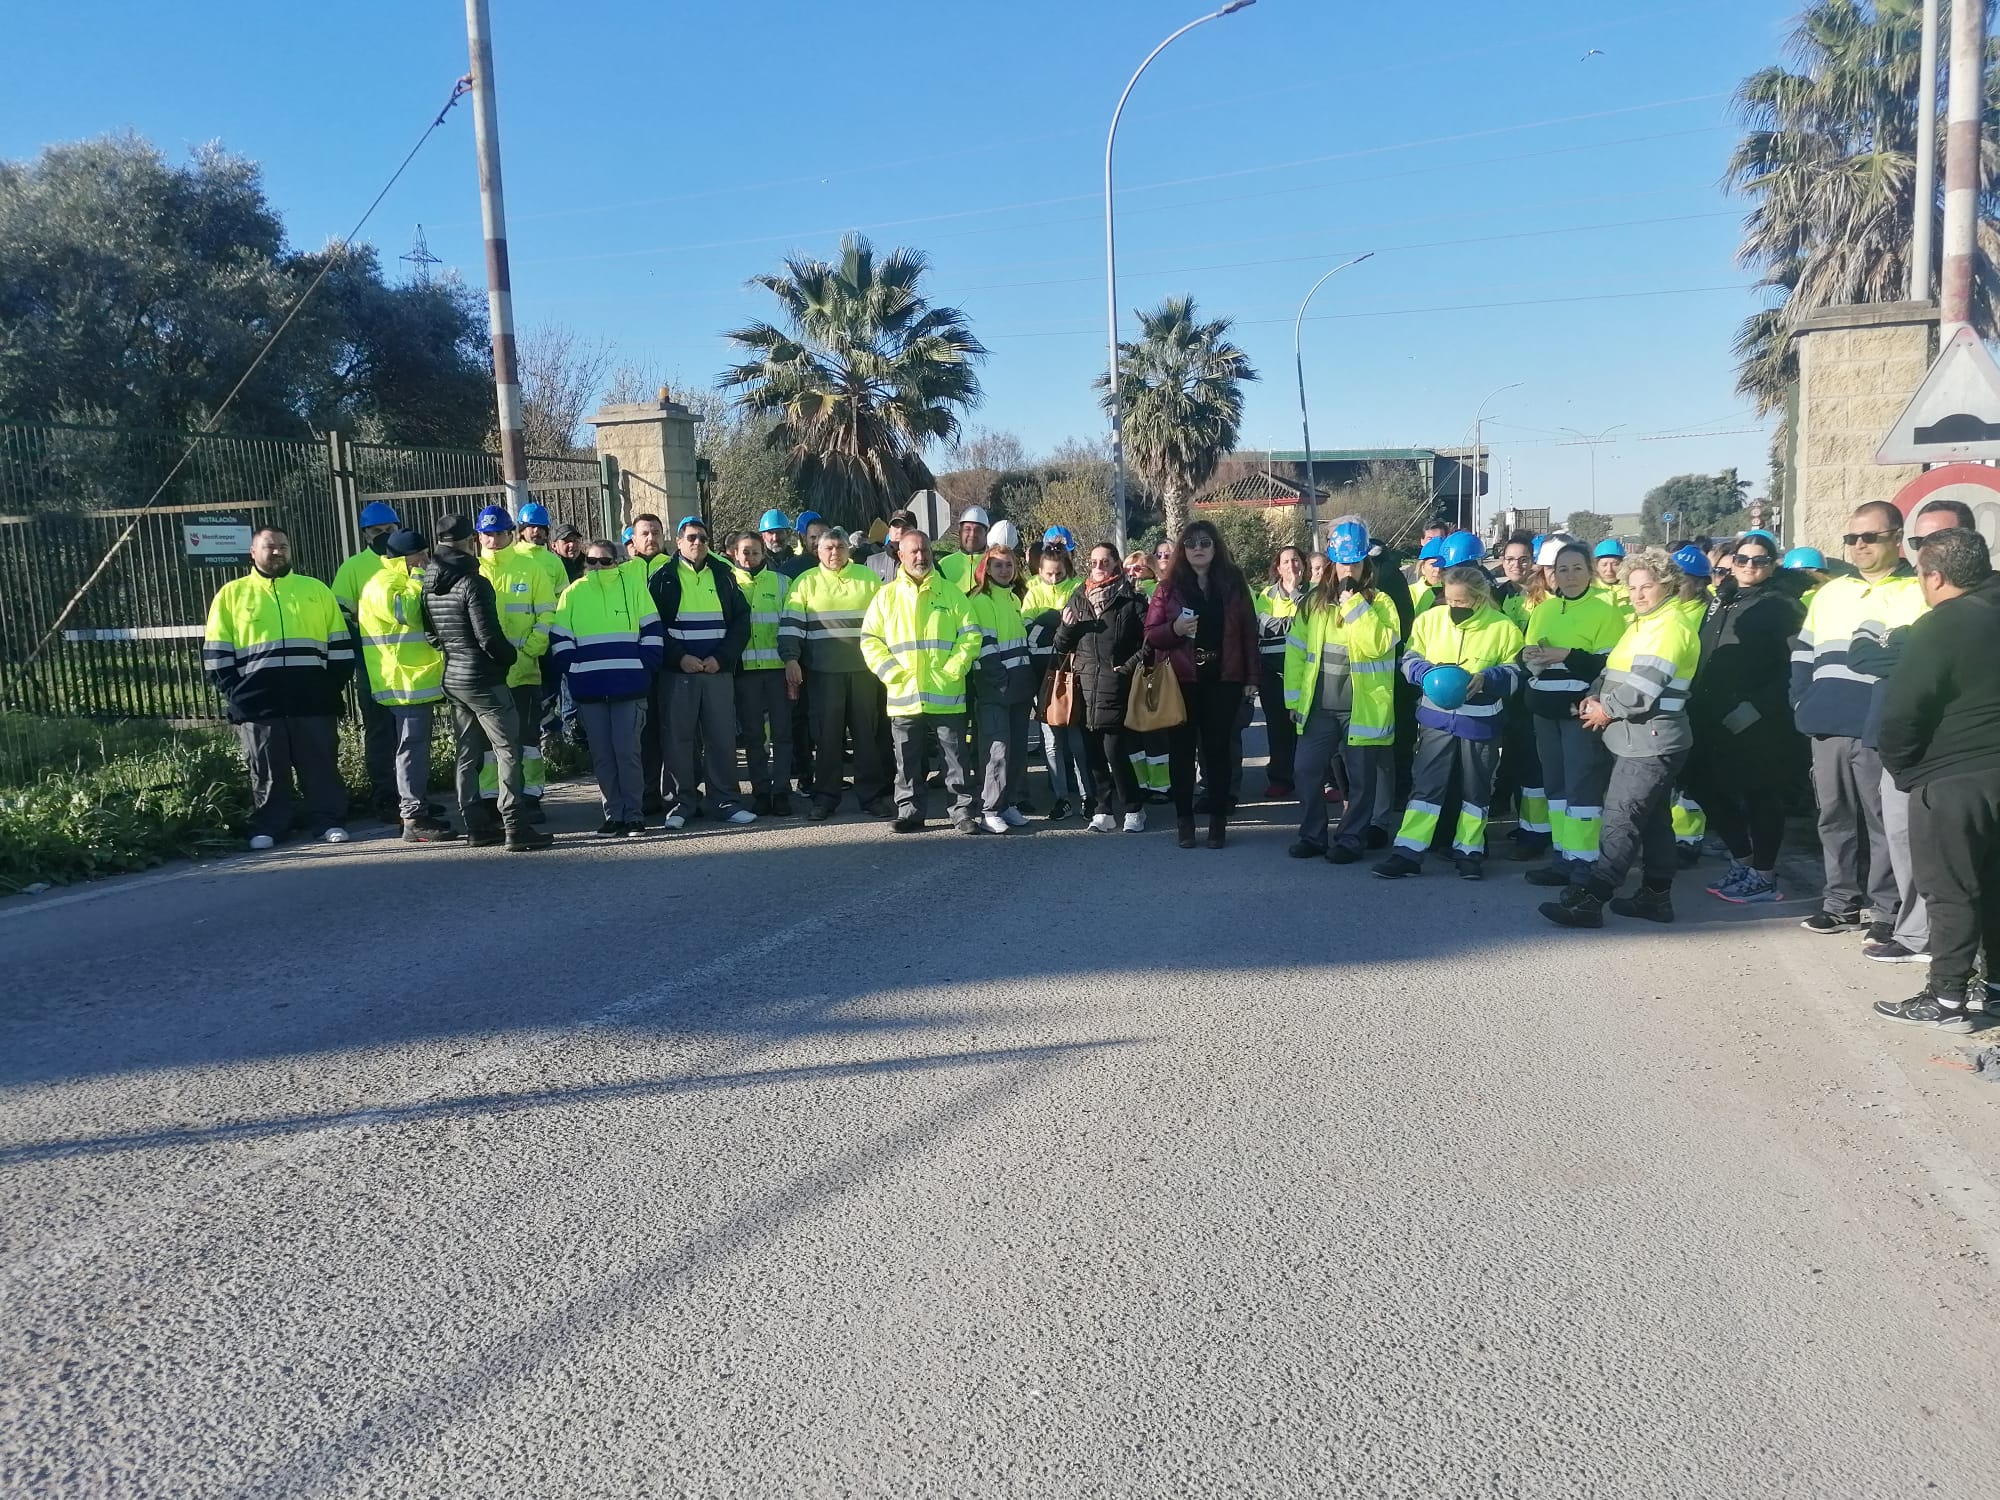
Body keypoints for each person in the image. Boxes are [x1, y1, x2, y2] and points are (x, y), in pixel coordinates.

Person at [1875, 527, 2000, 1031]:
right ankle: (1994, 990)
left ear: (1936, 576)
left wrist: (1904, 768)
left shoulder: (1940, 625)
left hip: (1951, 777)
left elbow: (1903, 712)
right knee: (1994, 886)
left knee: (1950, 889)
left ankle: (1947, 998)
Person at [1539, 549, 1702, 927]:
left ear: (1668, 586)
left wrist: (1604, 709)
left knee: (1621, 818)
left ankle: (1592, 899)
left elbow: (1642, 690)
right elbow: (1615, 668)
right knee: (1655, 821)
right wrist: (1596, 694)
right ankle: (1656, 896)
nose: (1639, 594)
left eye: (1648, 586)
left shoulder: (1669, 627)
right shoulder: (1644, 623)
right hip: (1642, 739)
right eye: (1633, 587)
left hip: (1651, 739)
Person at [1791, 501, 1928, 937]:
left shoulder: (1917, 591)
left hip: (1879, 728)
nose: (1860, 545)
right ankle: (1840, 903)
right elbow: (1802, 655)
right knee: (1832, 818)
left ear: (1896, 537)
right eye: (1852, 538)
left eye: (1871, 536)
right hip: (1828, 725)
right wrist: (1801, 702)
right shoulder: (1831, 593)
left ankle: (1887, 912)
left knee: (1884, 823)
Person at [1847, 499, 1977, 963]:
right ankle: (1917, 934)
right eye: (1919, 542)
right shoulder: (1905, 590)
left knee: (1950, 860)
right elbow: (1863, 653)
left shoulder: (1976, 607)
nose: (1926, 553)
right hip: (1905, 747)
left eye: (1938, 541)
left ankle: (1949, 975)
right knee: (1904, 841)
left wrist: (1902, 646)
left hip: (1959, 757)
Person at [1373, 560, 1525, 880]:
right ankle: (1408, 851)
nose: (1453, 606)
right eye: (1449, 598)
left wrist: (1488, 678)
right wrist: (1426, 673)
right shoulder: (1429, 620)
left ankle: (1469, 851)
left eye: (1461, 601)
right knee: (1426, 789)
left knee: (1475, 791)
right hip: (1436, 720)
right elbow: (1409, 659)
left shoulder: (1503, 627)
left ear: (1480, 598)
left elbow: (1515, 674)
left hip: (1480, 723)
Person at [204, 525, 354, 849]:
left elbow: (341, 648)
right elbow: (216, 655)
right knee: (267, 769)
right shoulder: (231, 595)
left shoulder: (315, 590)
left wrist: (328, 689)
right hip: (259, 705)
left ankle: (327, 821)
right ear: (253, 553)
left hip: (313, 701)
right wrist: (239, 694)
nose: (277, 552)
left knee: (321, 765)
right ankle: (270, 826)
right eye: (270, 547)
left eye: (283, 546)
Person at [1680, 532, 1805, 904]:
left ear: (1772, 564)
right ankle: (1743, 859)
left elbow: (1793, 667)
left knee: (1760, 796)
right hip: (1709, 713)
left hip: (1756, 722)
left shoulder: (1782, 606)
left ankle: (1764, 875)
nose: (1750, 566)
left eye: (1760, 560)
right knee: (1699, 783)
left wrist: (1758, 707)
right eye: (1743, 559)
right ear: (1732, 562)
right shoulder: (1723, 598)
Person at [423, 514, 551, 852]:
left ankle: (476, 825)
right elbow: (488, 638)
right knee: (508, 748)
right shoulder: (473, 581)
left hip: (453, 676)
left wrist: (453, 652)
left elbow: (430, 633)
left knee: (467, 751)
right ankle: (515, 825)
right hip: (483, 678)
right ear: (470, 541)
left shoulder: (430, 580)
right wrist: (508, 660)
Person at [1284, 519, 1401, 863]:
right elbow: (1295, 654)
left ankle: (1350, 840)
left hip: (1362, 709)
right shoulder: (1312, 603)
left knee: (1361, 781)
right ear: (1333, 562)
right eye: (1343, 560)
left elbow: (1379, 645)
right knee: (1305, 772)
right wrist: (1293, 699)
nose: (1348, 567)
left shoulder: (1381, 603)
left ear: (1366, 562)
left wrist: (1354, 607)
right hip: (1318, 707)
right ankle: (1313, 836)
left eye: (1355, 560)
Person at [1145, 520, 1260, 849]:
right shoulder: (1168, 587)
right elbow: (1151, 634)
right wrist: (1176, 629)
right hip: (1182, 680)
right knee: (1181, 752)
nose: (1198, 548)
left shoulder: (1233, 581)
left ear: (1215, 547)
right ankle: (1184, 822)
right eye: (1191, 543)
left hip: (1223, 678)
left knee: (1218, 752)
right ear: (1182, 549)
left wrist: (1252, 678)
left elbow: (1249, 632)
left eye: (1205, 542)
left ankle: (1218, 822)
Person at [1517, 541, 1626, 888]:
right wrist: (1532, 656)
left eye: (1577, 568)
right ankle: (1563, 856)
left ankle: (1584, 862)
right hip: (1544, 710)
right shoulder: (1543, 610)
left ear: (1589, 571)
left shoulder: (1605, 611)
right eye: (1562, 569)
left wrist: (1565, 654)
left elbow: (1608, 664)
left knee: (1582, 785)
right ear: (1552, 575)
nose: (1569, 575)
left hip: (1580, 711)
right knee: (1556, 785)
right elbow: (1530, 654)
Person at [860, 529, 982, 833]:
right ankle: (910, 811)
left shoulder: (950, 592)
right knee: (907, 761)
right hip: (904, 693)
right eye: (913, 551)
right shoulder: (886, 596)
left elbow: (971, 634)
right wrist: (890, 673)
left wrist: (956, 667)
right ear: (900, 556)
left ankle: (962, 811)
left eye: (925, 550)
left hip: (946, 691)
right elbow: (870, 640)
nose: (920, 556)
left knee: (955, 759)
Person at [550, 538, 663, 836]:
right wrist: (574, 669)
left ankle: (634, 815)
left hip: (629, 687)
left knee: (628, 754)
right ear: (585, 563)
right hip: (590, 688)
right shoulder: (573, 593)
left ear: (617, 562)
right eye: (592, 561)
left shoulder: (634, 588)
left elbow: (652, 632)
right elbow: (560, 638)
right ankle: (613, 814)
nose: (598, 566)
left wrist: (643, 667)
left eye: (605, 561)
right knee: (602, 756)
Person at [649, 516, 755, 829]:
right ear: (678, 542)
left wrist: (721, 658)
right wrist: (679, 658)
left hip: (715, 670)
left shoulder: (724, 574)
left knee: (721, 738)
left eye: (703, 539)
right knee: (679, 740)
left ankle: (725, 801)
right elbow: (653, 625)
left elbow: (741, 622)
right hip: (678, 672)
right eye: (691, 538)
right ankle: (683, 803)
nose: (698, 543)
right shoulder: (663, 578)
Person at [780, 528, 892, 819]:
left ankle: (871, 796)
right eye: (828, 547)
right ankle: (826, 798)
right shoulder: (805, 583)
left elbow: (887, 623)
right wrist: (791, 659)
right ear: (818, 551)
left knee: (867, 736)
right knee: (827, 738)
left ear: (848, 550)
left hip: (865, 672)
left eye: (839, 547)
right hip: (823, 673)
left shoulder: (868, 579)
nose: (834, 553)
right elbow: (791, 626)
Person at [356, 528, 456, 843]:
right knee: (410, 749)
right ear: (404, 558)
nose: (426, 561)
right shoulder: (383, 584)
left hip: (412, 678)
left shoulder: (391, 580)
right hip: (402, 680)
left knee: (413, 747)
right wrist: (418, 580)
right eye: (421, 555)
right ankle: (413, 817)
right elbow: (407, 614)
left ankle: (416, 806)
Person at [1055, 543, 1151, 833]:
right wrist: (1066, 628)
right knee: (1092, 753)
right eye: (1094, 562)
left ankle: (1134, 807)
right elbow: (1061, 646)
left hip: (1116, 685)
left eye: (1104, 562)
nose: (1098, 568)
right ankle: (1103, 809)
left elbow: (1150, 643)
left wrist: (1127, 667)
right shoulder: (1079, 597)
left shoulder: (1131, 600)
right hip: (1084, 687)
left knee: (1115, 751)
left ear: (1116, 565)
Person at [474, 505, 555, 823]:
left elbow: (547, 612)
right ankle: (491, 797)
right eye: (487, 534)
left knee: (527, 739)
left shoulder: (530, 568)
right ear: (479, 537)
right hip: (485, 674)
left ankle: (531, 795)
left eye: (498, 534)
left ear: (511, 534)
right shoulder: (474, 570)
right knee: (488, 742)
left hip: (524, 671)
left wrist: (533, 648)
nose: (493, 540)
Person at [329, 500, 402, 814]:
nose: (384, 535)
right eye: (377, 531)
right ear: (364, 534)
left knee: (410, 734)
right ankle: (385, 795)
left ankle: (413, 797)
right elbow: (339, 615)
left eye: (389, 529)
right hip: (372, 667)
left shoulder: (409, 560)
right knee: (380, 732)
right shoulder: (353, 568)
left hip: (412, 665)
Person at [963, 545, 1035, 833]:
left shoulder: (1014, 598)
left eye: (1008, 565)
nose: (1004, 570)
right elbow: (985, 646)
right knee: (996, 749)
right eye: (998, 566)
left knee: (1016, 749)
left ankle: (1008, 804)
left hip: (1019, 686)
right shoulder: (981, 600)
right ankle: (989, 808)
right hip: (996, 686)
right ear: (986, 569)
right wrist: (999, 680)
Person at [728, 531, 795, 816]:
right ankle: (760, 792)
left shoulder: (782, 583)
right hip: (745, 672)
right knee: (754, 736)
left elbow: (791, 624)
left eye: (755, 552)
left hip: (777, 669)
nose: (750, 557)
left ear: (763, 553)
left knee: (782, 734)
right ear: (734, 553)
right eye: (745, 552)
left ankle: (781, 791)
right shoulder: (727, 583)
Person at [1024, 543, 1091, 819]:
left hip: (1073, 676)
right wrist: (1054, 619)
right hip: (1044, 677)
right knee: (1051, 742)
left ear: (1068, 569)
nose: (1053, 579)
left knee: (1077, 740)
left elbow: (1084, 626)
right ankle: (1061, 797)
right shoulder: (1032, 591)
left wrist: (1053, 626)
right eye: (1048, 574)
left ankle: (1088, 796)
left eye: (1059, 574)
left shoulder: (1079, 589)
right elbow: (1027, 629)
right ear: (1039, 571)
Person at [621, 513, 674, 814]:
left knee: (675, 728)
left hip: (674, 661)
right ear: (634, 539)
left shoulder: (675, 568)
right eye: (645, 533)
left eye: (655, 532)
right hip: (637, 661)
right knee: (643, 730)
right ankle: (648, 791)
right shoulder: (623, 572)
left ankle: (680, 791)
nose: (651, 538)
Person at [1254, 546, 1309, 799]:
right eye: (1285, 561)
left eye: (1295, 560)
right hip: (1272, 672)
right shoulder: (1266, 594)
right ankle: (1280, 778)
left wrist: (1297, 595)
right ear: (1277, 567)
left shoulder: (1314, 594)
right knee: (1277, 728)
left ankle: (1314, 779)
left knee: (1308, 727)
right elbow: (1264, 626)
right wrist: (1294, 622)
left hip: (1306, 671)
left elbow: (1312, 623)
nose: (1291, 566)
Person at [511, 502, 572, 600]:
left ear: (546, 532)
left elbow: (564, 596)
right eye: (532, 526)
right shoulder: (510, 556)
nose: (536, 530)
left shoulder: (554, 561)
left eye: (541, 527)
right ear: (522, 530)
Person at [937, 505, 992, 588]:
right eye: (967, 529)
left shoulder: (994, 564)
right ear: (960, 532)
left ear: (986, 533)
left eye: (978, 529)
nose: (972, 534)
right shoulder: (943, 565)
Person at [867, 509, 920, 583]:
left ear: (915, 532)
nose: (900, 531)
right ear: (889, 530)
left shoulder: (924, 561)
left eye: (906, 527)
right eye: (896, 526)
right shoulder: (872, 562)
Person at [756, 509, 796, 574]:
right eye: (770, 533)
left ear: (788, 534)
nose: (775, 538)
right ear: (763, 536)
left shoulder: (798, 563)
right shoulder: (757, 565)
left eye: (779, 532)